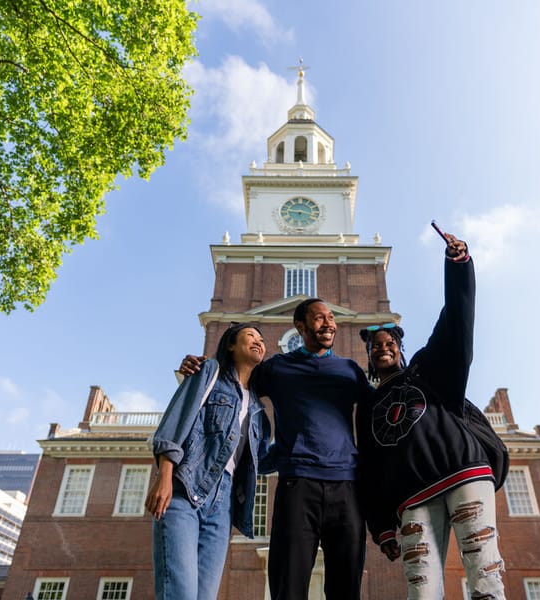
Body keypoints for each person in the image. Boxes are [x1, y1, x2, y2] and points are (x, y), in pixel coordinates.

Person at [181, 300, 370, 600]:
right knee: (288, 587)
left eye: (331, 318)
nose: (328, 323)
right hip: (297, 485)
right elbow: (234, 381)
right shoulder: (279, 367)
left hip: (347, 488)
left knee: (347, 589)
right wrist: (200, 369)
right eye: (319, 318)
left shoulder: (348, 369)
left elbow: (380, 409)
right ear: (301, 327)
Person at [356, 232, 507, 600]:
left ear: (401, 349)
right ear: (370, 357)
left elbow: (455, 324)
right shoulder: (369, 405)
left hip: (464, 474)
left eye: (391, 342)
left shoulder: (427, 369)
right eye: (376, 346)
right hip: (412, 498)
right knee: (421, 588)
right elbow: (371, 470)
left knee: (483, 573)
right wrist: (382, 529)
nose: (384, 347)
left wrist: (458, 267)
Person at [146, 323, 271, 600]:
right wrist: (164, 476)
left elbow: (258, 462)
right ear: (230, 345)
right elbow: (177, 420)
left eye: (262, 340)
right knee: (180, 593)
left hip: (223, 507)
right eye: (251, 336)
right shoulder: (208, 373)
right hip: (184, 489)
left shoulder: (257, 408)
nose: (258, 342)